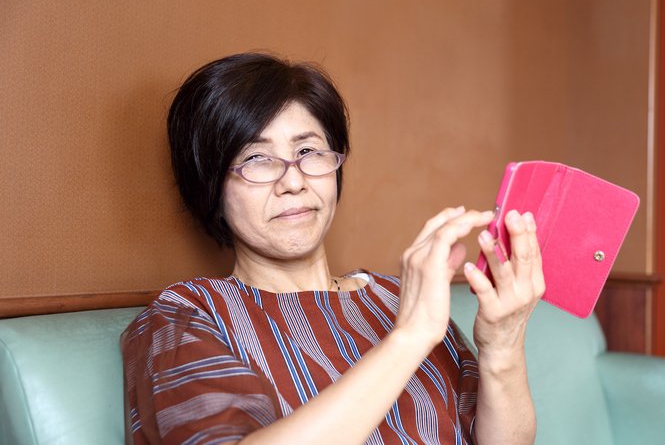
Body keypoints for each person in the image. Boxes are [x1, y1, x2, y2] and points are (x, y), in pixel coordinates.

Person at [121, 53, 545, 445]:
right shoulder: (187, 315)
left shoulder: (394, 297)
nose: (293, 181)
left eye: (308, 151)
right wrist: (409, 336)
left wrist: (502, 347)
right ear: (211, 188)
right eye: (256, 159)